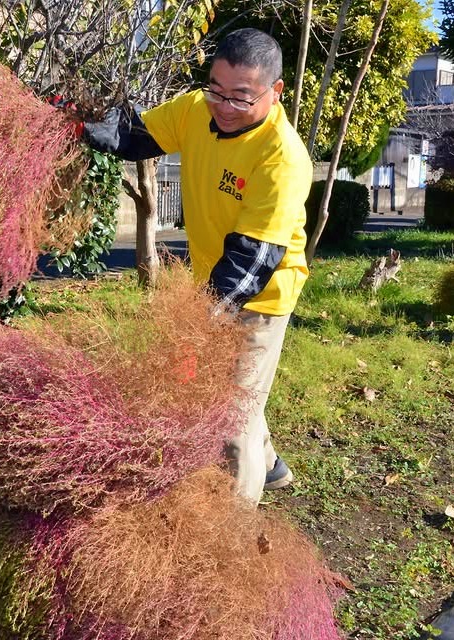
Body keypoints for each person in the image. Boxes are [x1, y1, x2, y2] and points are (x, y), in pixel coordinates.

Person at [79, 27, 313, 505]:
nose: (223, 106)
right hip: (214, 280)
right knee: (242, 387)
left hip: (262, 294)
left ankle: (231, 529)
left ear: (275, 92)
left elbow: (251, 266)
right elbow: (140, 135)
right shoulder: (194, 108)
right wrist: (90, 127)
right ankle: (270, 466)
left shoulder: (283, 159)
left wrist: (198, 318)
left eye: (241, 98)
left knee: (229, 413)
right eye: (216, 89)